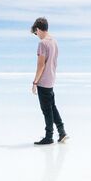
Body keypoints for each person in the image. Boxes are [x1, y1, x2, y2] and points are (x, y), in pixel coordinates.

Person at [30, 16, 68, 145]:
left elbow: (41, 65)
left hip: (43, 81)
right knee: (52, 107)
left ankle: (49, 136)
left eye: (36, 33)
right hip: (51, 79)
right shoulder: (54, 42)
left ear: (39, 29)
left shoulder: (42, 43)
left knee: (46, 110)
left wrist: (35, 82)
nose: (37, 35)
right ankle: (62, 132)